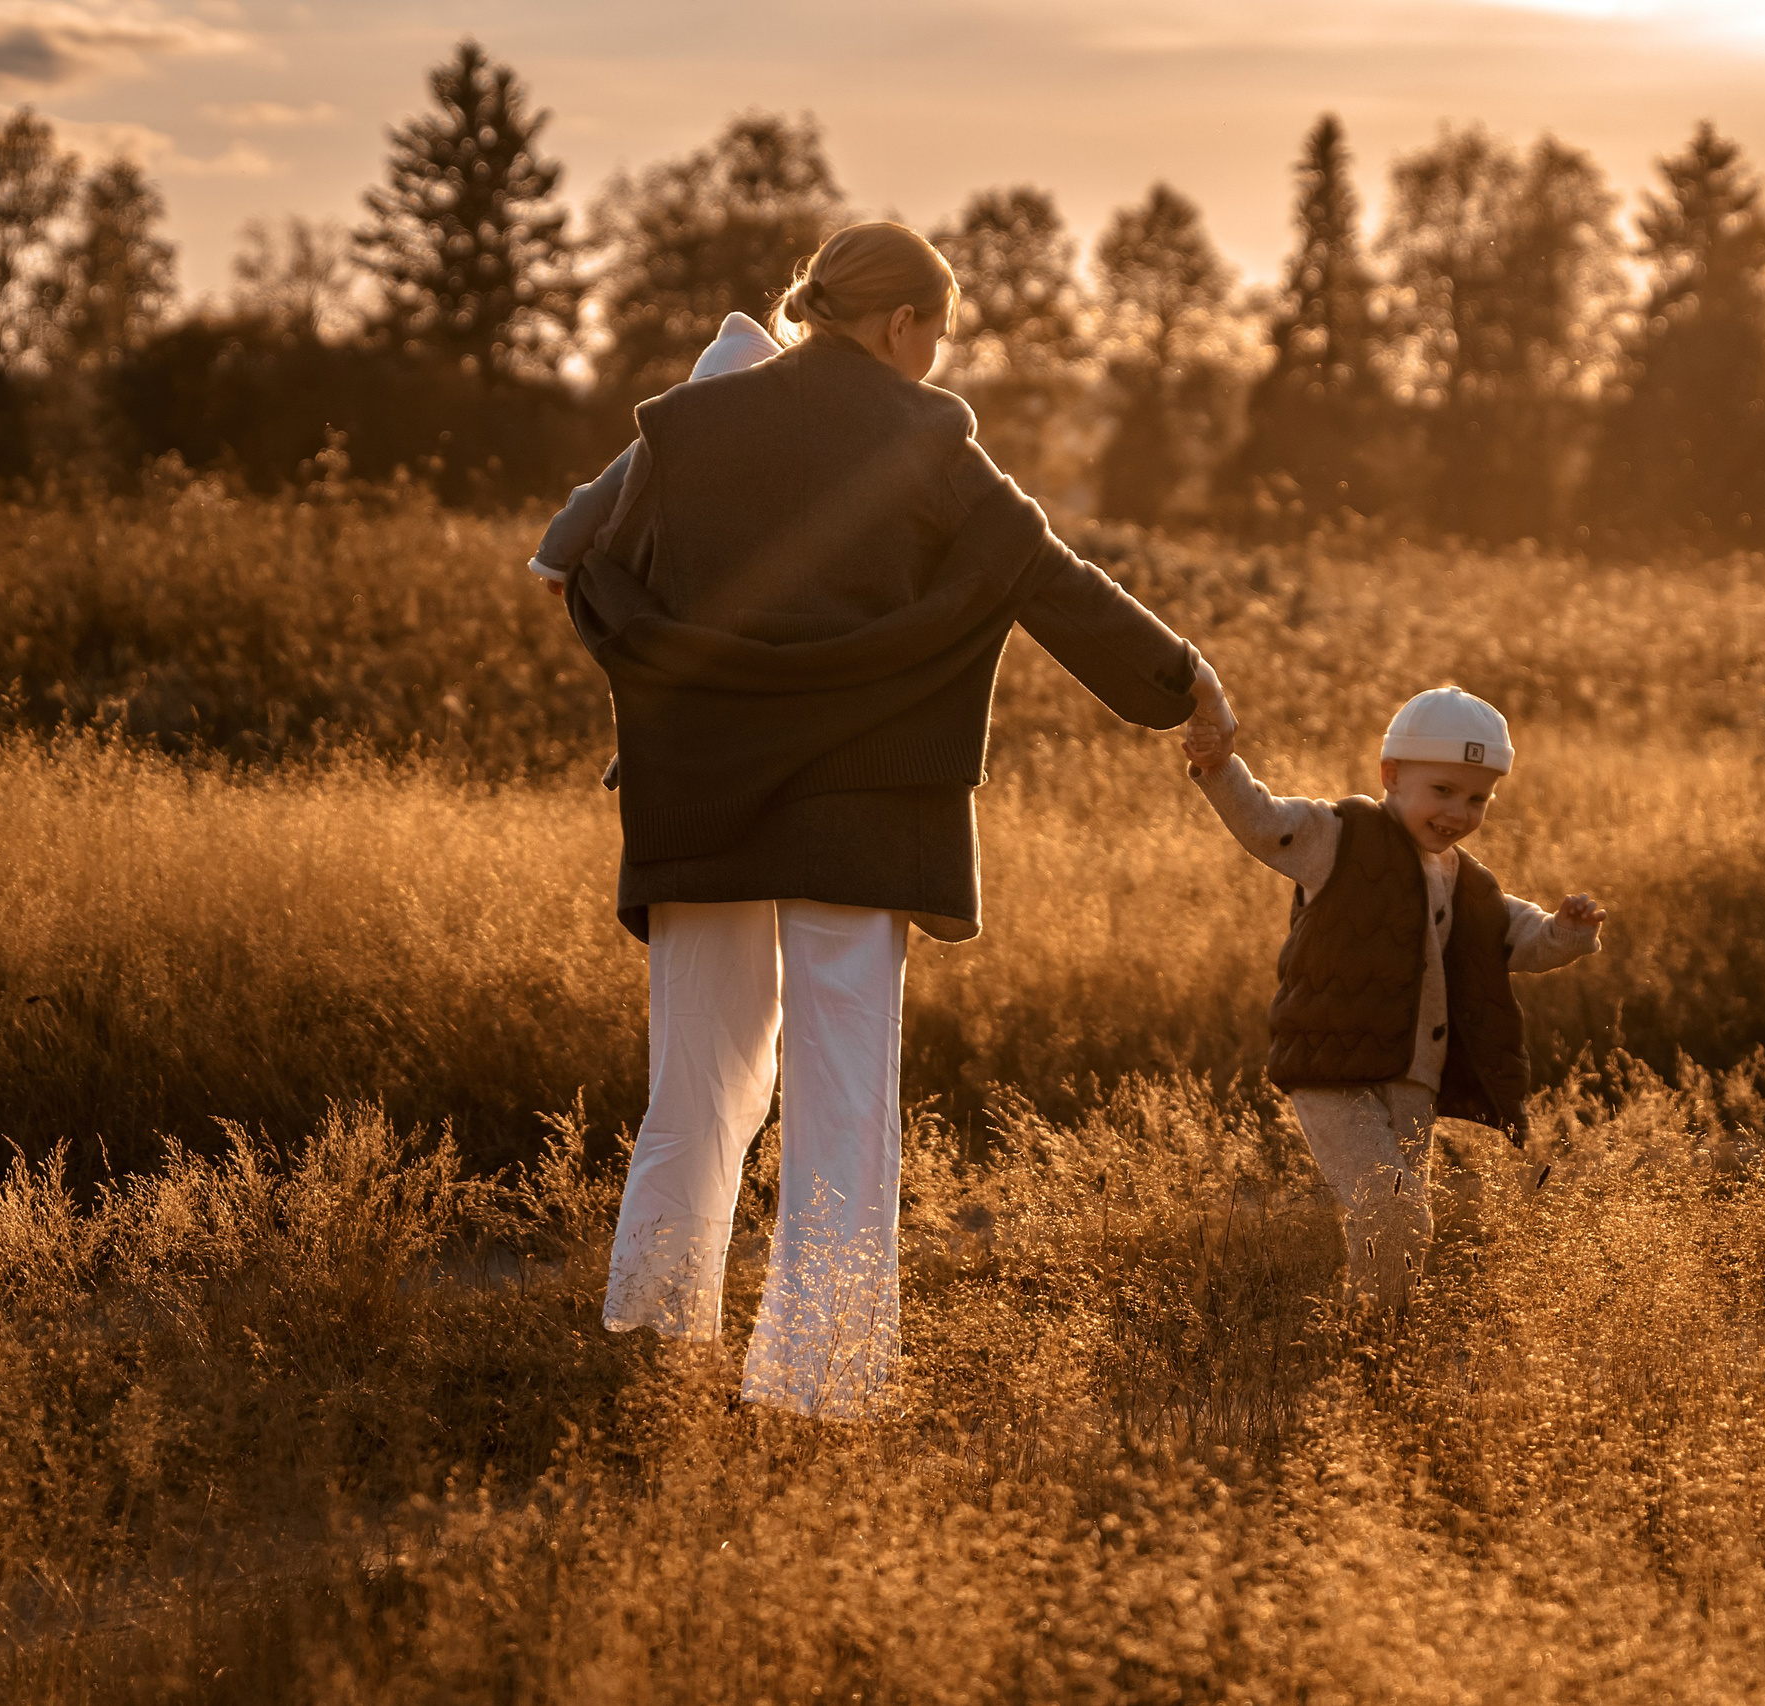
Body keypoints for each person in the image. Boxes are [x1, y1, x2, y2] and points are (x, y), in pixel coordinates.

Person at [547, 221, 1237, 1419]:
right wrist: (1184, 680)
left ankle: (655, 1334)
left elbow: (572, 566)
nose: (936, 359)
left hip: (701, 791)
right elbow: (1049, 577)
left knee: (698, 1076)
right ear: (903, 324)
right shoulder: (929, 440)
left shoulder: (683, 423)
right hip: (863, 807)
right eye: (940, 334)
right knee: (843, 1096)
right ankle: (817, 1380)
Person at [1184, 687, 1604, 1308]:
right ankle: (1377, 1332)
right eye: (1443, 791)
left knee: (1404, 1220)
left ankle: (1377, 1336)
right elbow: (1267, 824)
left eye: (1477, 798)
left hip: (1413, 1079)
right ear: (1392, 775)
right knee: (1393, 1206)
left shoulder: (1465, 881)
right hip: (1334, 1071)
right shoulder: (1341, 837)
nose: (1458, 812)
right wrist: (1220, 766)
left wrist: (1566, 932)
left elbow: (1518, 940)